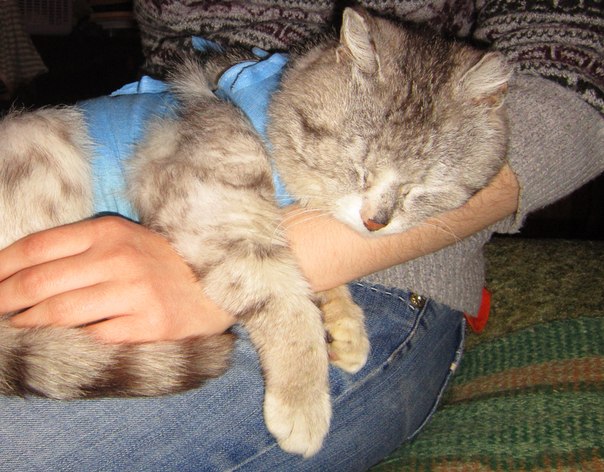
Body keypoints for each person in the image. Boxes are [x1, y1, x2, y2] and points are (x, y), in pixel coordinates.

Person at [0, 1, 602, 470]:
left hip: (380, 271)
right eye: (365, 180)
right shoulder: (268, 113)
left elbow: (577, 80)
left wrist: (282, 282)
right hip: (142, 192)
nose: (378, 215)